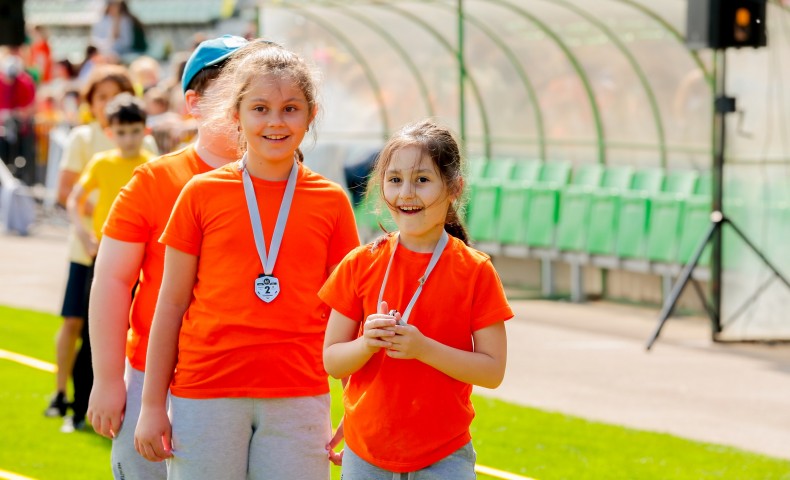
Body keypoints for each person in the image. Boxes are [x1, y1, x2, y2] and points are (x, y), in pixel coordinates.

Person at [133, 40, 360, 479]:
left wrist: (356, 403)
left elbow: (349, 313)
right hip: (206, 391)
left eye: (290, 108)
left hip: (299, 393)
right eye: (260, 108)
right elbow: (171, 304)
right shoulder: (201, 194)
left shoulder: (331, 201)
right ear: (235, 115)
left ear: (311, 115)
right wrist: (151, 405)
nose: (275, 122)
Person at [86, 34, 248, 480]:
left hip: (249, 381)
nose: (246, 105)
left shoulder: (289, 185)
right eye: (232, 92)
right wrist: (106, 378)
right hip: (156, 375)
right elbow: (113, 280)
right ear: (193, 103)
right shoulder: (154, 180)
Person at [320, 120, 513, 479]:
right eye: (394, 180)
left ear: (454, 187)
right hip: (366, 456)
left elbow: (492, 371)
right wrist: (366, 344)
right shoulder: (360, 263)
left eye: (422, 180)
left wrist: (422, 348)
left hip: (444, 457)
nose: (406, 193)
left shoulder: (475, 271)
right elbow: (332, 361)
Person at [47, 64, 158, 427]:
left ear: (145, 130)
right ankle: (76, 406)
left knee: (142, 332)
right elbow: (72, 197)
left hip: (143, 261)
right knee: (92, 331)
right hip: (102, 258)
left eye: (135, 131)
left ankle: (136, 406)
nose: (128, 138)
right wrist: (85, 235)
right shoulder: (96, 155)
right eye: (122, 132)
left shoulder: (151, 163)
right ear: (110, 131)